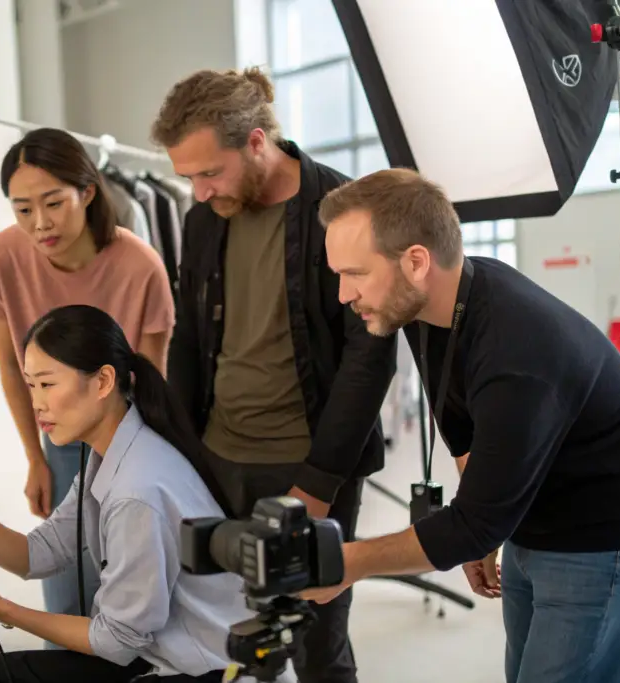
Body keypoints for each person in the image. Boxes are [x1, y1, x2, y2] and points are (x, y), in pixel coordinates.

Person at [306, 167, 620, 683]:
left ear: (416, 262)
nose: (343, 294)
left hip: (609, 532)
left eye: (354, 273)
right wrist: (481, 534)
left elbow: (473, 523)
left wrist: (349, 562)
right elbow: (465, 433)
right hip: (535, 512)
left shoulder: (515, 350)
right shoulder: (431, 306)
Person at [149, 66, 397, 683]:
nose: (199, 192)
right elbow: (189, 338)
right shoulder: (203, 219)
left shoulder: (342, 210)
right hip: (220, 456)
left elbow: (370, 358)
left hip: (308, 465)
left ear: (257, 141)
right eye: (188, 177)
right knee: (224, 634)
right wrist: (180, 453)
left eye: (211, 172)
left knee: (315, 646)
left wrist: (319, 483)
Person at [0, 305, 248, 683]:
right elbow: (36, 555)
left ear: (103, 381)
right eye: (31, 385)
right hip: (160, 656)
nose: (37, 403)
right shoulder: (112, 456)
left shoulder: (137, 490)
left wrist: (4, 610)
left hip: (208, 672)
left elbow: (117, 641)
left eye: (48, 384)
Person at [0, 128, 175, 628]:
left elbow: (153, 382)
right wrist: (35, 458)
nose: (40, 223)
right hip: (59, 438)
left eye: (54, 203)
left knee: (131, 592)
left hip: (128, 437)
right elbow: (12, 369)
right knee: (66, 591)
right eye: (23, 209)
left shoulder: (141, 265)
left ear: (88, 192)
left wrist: (145, 470)